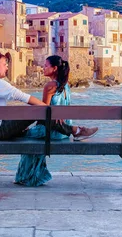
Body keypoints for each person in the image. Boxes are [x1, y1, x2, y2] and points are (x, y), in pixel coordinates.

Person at [0, 52, 98, 143]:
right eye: (4, 64)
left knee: (36, 109)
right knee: (38, 110)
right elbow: (23, 96)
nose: (7, 67)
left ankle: (75, 130)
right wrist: (52, 112)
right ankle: (76, 131)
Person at [15, 55, 91, 186]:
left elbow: (44, 113)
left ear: (54, 68)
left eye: (46, 66)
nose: (42, 68)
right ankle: (33, 175)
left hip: (53, 131)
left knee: (23, 135)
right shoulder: (65, 85)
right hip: (64, 130)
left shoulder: (50, 86)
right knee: (31, 136)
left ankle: (28, 177)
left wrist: (29, 128)